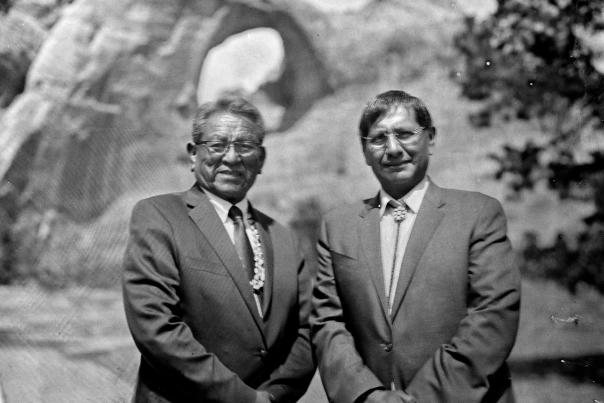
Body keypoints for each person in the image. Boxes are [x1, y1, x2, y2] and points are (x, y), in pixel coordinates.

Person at [311, 90, 521, 403]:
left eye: (405, 134)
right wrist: (369, 395)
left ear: (431, 139)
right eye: (379, 139)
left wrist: (422, 398)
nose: (393, 149)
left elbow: (493, 316)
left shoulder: (478, 214)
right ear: (365, 151)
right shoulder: (337, 226)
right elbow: (328, 323)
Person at [123, 96, 315, 403]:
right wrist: (244, 399)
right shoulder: (159, 217)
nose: (231, 157)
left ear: (262, 159)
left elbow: (306, 331)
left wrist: (274, 396)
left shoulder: (283, 238)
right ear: (192, 154)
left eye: (245, 146)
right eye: (217, 145)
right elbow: (156, 326)